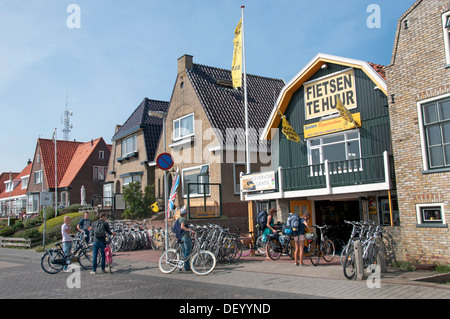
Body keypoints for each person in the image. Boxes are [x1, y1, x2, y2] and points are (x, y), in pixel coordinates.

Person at [178, 207, 195, 271]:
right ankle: (186, 267)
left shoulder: (179, 219)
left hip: (180, 237)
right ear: (184, 214)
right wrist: (190, 230)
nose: (186, 215)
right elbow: (182, 227)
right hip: (185, 237)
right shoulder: (184, 219)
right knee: (187, 251)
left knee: (184, 252)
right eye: (186, 213)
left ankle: (181, 265)